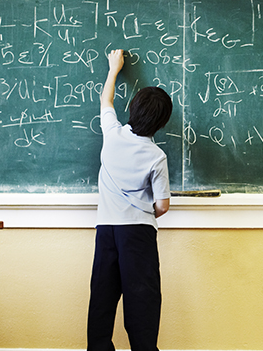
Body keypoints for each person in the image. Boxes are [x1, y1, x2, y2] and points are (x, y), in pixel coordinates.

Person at [87, 49, 173, 351]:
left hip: (106, 230)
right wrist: (143, 208)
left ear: (133, 109)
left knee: (102, 297)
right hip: (138, 233)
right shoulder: (156, 156)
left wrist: (114, 69)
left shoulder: (111, 135)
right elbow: (162, 206)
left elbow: (106, 101)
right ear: (161, 124)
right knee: (142, 301)